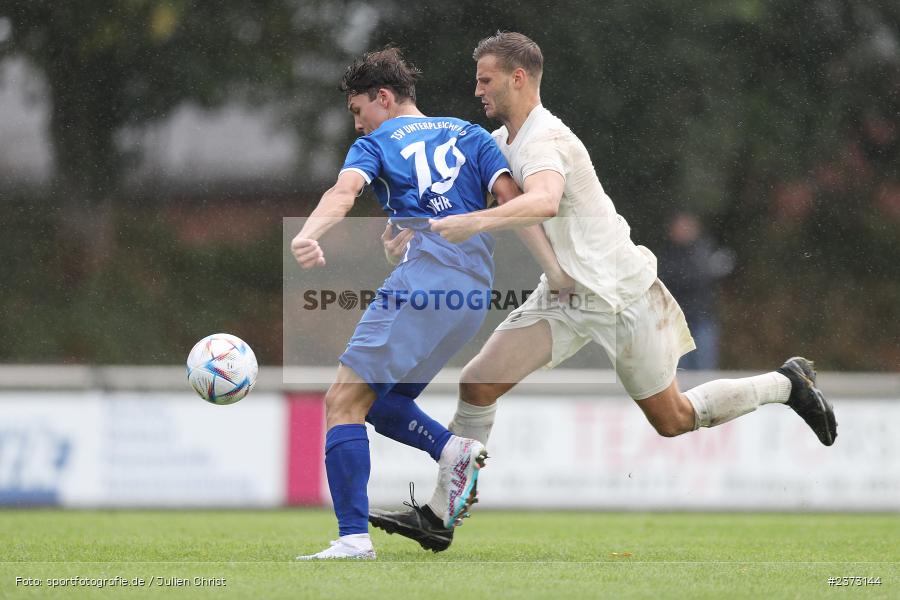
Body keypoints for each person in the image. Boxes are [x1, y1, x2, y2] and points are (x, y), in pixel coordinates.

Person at [369, 31, 837, 553]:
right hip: (566, 295)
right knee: (477, 383)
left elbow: (543, 202)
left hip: (622, 295)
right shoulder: (502, 144)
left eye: (486, 79)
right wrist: (414, 230)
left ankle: (785, 384)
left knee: (673, 419)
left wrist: (475, 222)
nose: (477, 89)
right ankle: (441, 514)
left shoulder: (547, 141)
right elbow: (455, 196)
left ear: (518, 79)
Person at [291, 47, 570, 560]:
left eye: (358, 111)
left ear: (383, 97)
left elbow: (343, 192)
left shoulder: (376, 143)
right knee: (383, 403)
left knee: (342, 403)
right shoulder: (472, 136)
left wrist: (309, 233)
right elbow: (513, 203)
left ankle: (353, 539)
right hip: (470, 297)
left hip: (420, 286)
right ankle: (453, 449)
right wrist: (553, 270)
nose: (358, 125)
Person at [658, 212, 735, 370]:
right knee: (680, 370)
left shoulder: (704, 249)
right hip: (676, 321)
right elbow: (673, 279)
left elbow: (711, 275)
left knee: (704, 369)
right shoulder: (667, 254)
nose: (683, 230)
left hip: (702, 319)